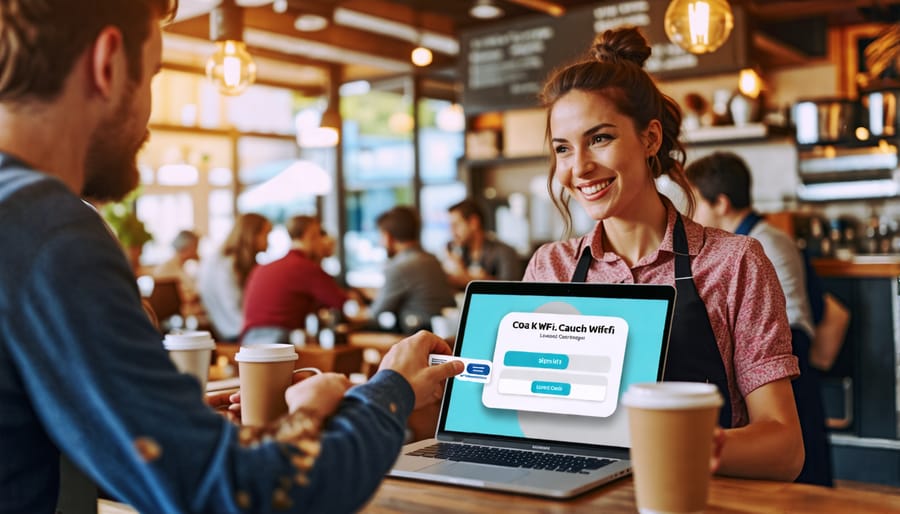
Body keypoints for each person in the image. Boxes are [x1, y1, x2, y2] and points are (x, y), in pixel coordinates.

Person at [0, 2, 462, 513]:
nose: (149, 113)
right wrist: (383, 391)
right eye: (152, 74)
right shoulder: (50, 232)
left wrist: (173, 421)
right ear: (107, 64)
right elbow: (252, 497)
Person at [523, 27, 804, 481]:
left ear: (650, 139)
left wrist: (683, 445)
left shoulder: (734, 263)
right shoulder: (549, 267)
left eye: (599, 139)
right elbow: (527, 420)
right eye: (562, 148)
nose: (578, 168)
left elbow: (785, 447)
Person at [684, 151, 832, 486]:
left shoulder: (758, 246)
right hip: (782, 353)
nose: (690, 214)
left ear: (720, 203)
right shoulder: (766, 237)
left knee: (798, 462)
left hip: (789, 356)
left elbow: (774, 318)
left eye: (696, 203)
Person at [241, 215, 350, 344]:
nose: (324, 241)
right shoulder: (306, 268)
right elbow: (342, 303)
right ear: (311, 235)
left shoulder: (264, 267)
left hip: (247, 341)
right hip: (279, 340)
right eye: (320, 235)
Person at [371, 206, 457, 334]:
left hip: (415, 334)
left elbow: (377, 311)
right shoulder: (432, 259)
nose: (381, 242)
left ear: (388, 237)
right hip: (442, 332)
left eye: (381, 236)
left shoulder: (399, 267)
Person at [197, 212, 271, 341]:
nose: (268, 241)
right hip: (235, 333)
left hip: (229, 329)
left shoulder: (222, 260)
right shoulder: (227, 265)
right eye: (266, 234)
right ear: (251, 235)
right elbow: (233, 308)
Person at [444, 199, 523, 289]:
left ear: (474, 222)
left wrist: (465, 276)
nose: (451, 231)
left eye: (456, 225)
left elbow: (510, 289)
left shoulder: (504, 252)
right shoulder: (452, 249)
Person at [152, 229, 203, 318]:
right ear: (187, 247)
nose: (197, 251)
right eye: (196, 247)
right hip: (177, 318)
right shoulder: (170, 270)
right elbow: (187, 299)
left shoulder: (177, 267)